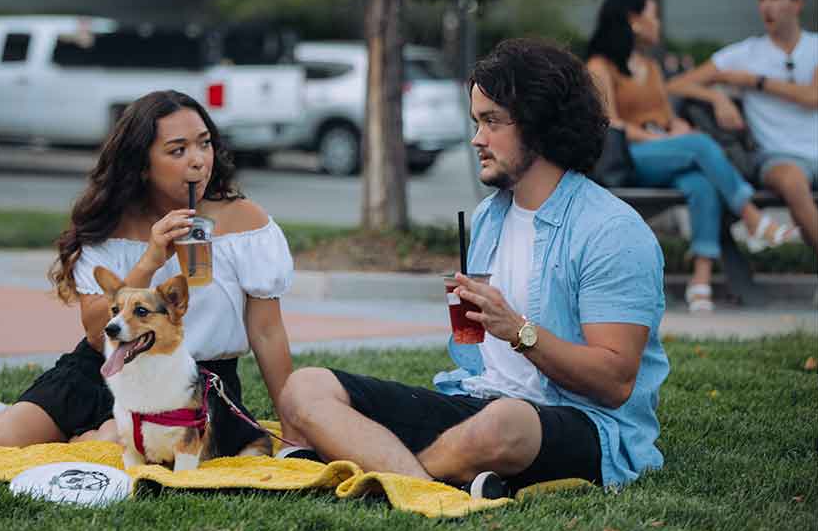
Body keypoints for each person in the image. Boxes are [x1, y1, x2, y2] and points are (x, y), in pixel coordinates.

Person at [277, 39, 669, 498]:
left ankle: (382, 467)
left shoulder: (611, 231)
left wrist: (519, 332)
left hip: (579, 422)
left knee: (504, 424)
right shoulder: (488, 219)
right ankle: (425, 484)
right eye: (476, 121)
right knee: (305, 387)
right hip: (477, 401)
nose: (476, 139)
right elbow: (473, 353)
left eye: (491, 122)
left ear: (540, 125)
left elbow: (614, 381)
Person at [0, 90, 296, 447]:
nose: (199, 161)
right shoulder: (110, 226)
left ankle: (81, 436)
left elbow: (267, 332)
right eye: (177, 150)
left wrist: (294, 429)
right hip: (103, 368)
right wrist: (152, 258)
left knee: (113, 446)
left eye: (204, 144)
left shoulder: (245, 223)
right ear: (142, 164)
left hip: (192, 382)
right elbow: (98, 335)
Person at [586, 0, 796, 312]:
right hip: (629, 156)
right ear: (634, 21)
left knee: (700, 181)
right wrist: (659, 139)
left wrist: (676, 128)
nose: (658, 23)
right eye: (653, 15)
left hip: (664, 152)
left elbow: (667, 118)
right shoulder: (600, 66)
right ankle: (751, 215)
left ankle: (700, 280)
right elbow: (610, 123)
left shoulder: (652, 68)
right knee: (698, 147)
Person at [666, 0, 818, 253]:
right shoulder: (744, 53)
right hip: (777, 158)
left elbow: (814, 97)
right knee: (793, 181)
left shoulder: (816, 46)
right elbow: (676, 86)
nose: (766, 6)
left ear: (797, 4)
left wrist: (754, 81)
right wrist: (715, 96)